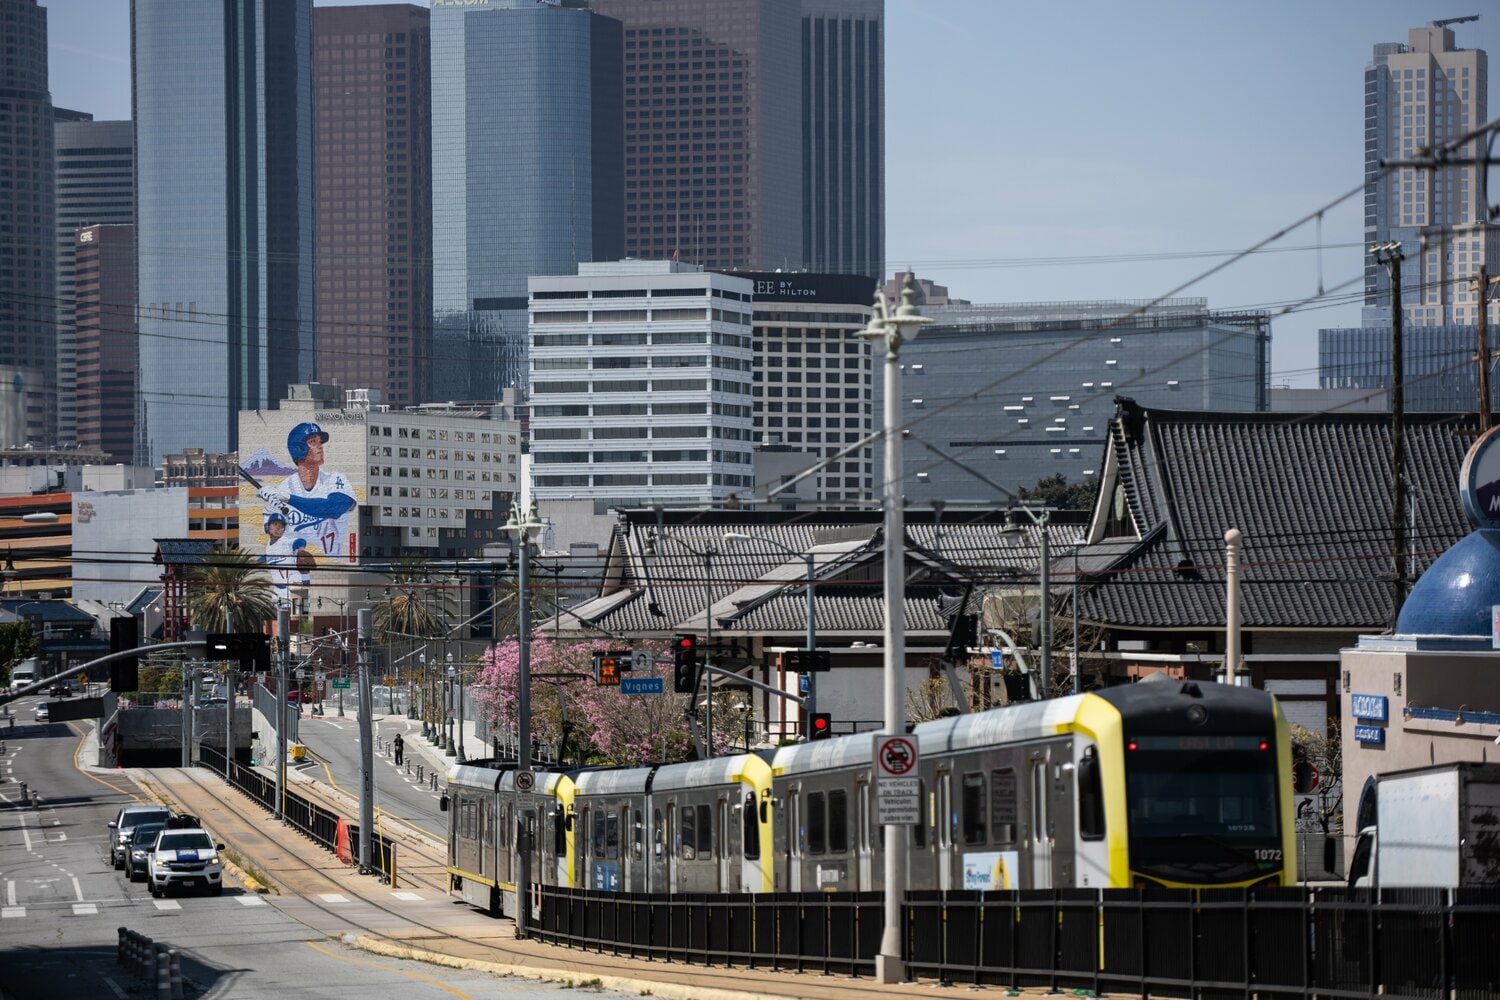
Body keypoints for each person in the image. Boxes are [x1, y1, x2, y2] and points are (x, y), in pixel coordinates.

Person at [257, 421, 357, 566]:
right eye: (313, 441)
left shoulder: (335, 479)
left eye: (320, 441)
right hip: (293, 571)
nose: (320, 446)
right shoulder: (282, 489)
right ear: (299, 448)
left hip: (333, 566)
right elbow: (274, 540)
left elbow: (333, 508)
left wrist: (288, 499)